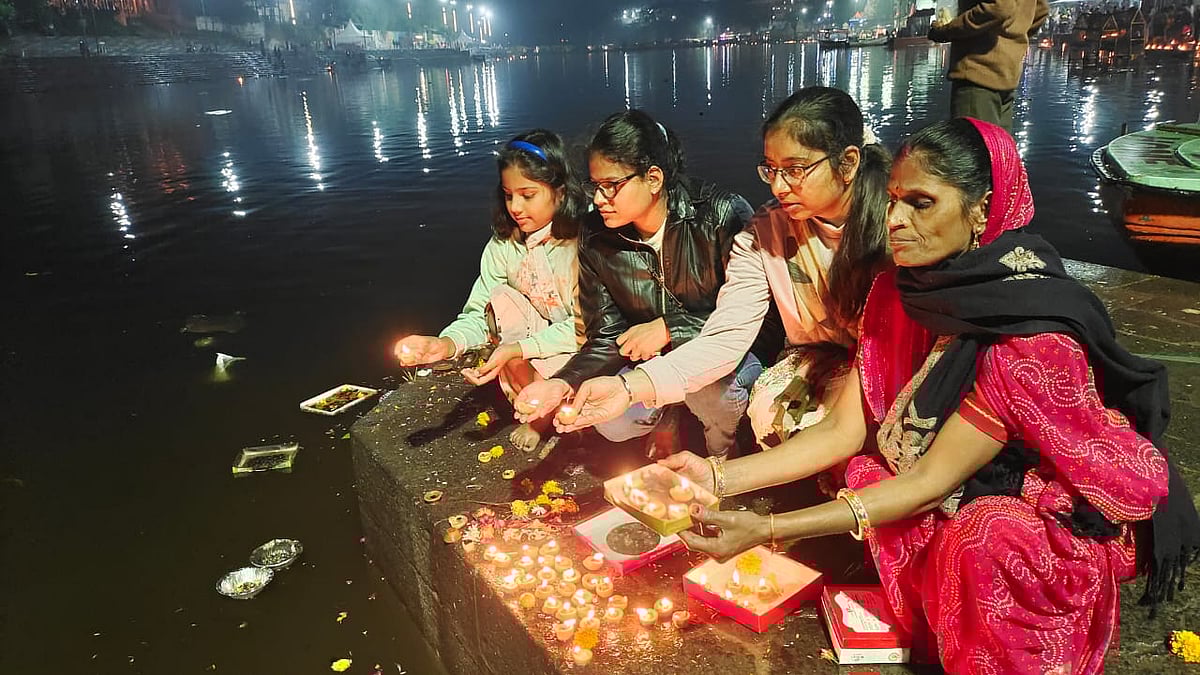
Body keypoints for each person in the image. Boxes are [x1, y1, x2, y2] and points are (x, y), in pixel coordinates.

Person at [668, 118, 1199, 673]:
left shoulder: (1028, 337)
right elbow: (843, 431)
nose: (893, 221)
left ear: (981, 209)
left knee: (984, 537)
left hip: (1037, 504)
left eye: (921, 203)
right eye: (894, 199)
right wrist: (715, 477)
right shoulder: (897, 294)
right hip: (948, 476)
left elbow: (927, 484)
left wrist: (769, 529)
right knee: (864, 469)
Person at [556, 87, 890, 456]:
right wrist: (628, 388)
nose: (778, 187)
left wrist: (668, 332)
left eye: (794, 170)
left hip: (888, 363)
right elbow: (727, 334)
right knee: (781, 419)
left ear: (848, 163)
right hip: (815, 358)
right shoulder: (763, 234)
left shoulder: (897, 226)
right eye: (771, 170)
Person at [514, 110, 756, 459]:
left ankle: (724, 457)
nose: (598, 199)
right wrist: (561, 383)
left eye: (611, 186)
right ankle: (669, 417)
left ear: (653, 179)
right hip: (655, 363)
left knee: (710, 393)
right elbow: (606, 335)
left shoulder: (719, 215)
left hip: (731, 353)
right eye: (595, 186)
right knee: (612, 423)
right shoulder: (596, 235)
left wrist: (671, 328)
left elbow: (754, 320)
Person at [394, 129, 587, 453]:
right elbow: (480, 310)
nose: (516, 207)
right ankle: (537, 409)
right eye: (509, 195)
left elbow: (587, 327)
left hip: (582, 341)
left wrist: (519, 349)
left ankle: (551, 409)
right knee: (501, 301)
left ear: (561, 192)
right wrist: (446, 344)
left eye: (528, 195)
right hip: (535, 341)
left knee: (614, 424)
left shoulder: (582, 242)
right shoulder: (503, 245)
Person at [927, 0, 1049, 132]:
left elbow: (999, 7)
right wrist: (1013, 39)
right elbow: (1041, 10)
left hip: (977, 71)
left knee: (972, 147)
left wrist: (947, 30)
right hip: (1007, 76)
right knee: (998, 149)